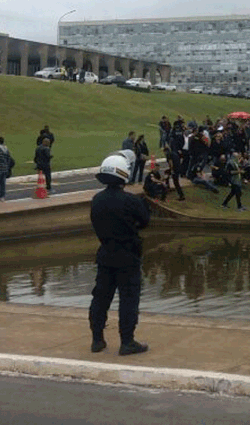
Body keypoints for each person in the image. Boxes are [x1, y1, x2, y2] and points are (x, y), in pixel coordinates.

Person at [88, 152, 150, 356]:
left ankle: (97, 339)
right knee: (129, 300)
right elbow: (145, 221)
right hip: (128, 256)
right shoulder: (130, 200)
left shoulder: (96, 200)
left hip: (105, 254)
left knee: (100, 298)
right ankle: (127, 341)